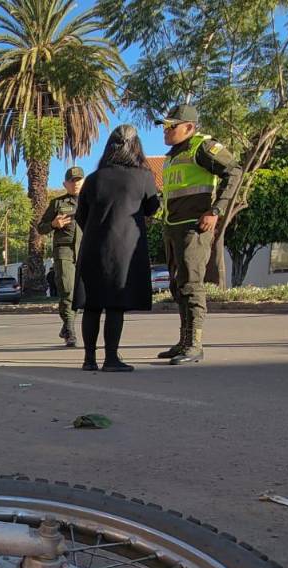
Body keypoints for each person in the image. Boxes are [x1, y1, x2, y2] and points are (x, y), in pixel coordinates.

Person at [157, 103, 240, 365]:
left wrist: (216, 210)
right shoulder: (172, 155)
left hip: (195, 227)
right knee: (178, 285)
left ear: (189, 127)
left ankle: (195, 343)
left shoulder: (203, 147)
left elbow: (234, 172)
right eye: (165, 126)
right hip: (173, 226)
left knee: (192, 285)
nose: (166, 131)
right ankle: (183, 340)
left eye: (172, 126)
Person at [73, 125, 160, 373]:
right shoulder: (143, 177)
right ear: (135, 147)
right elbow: (152, 208)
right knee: (115, 304)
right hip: (124, 246)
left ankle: (89, 359)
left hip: (93, 246)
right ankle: (111, 358)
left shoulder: (93, 179)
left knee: (92, 303)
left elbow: (82, 216)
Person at [36, 166, 85, 346]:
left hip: (85, 251)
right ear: (65, 184)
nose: (76, 183)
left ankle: (66, 324)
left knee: (81, 293)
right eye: (72, 181)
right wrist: (54, 224)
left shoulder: (91, 201)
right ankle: (70, 331)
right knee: (67, 291)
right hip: (65, 251)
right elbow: (40, 227)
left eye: (78, 180)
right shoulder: (57, 204)